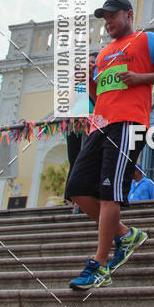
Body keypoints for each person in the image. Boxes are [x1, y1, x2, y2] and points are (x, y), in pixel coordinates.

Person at [66, 0, 154, 289]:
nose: (108, 23)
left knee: (109, 194)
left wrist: (141, 78)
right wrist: (85, 81)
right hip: (99, 125)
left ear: (129, 15)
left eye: (112, 16)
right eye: (105, 19)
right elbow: (99, 94)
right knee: (77, 188)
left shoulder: (147, 40)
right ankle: (126, 235)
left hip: (129, 124)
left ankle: (100, 265)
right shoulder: (104, 53)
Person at [65, 52, 98, 214]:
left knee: (87, 160)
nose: (91, 64)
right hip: (75, 125)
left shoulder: (98, 82)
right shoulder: (77, 81)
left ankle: (86, 197)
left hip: (92, 125)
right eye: (89, 62)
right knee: (75, 160)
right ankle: (71, 199)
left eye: (94, 62)